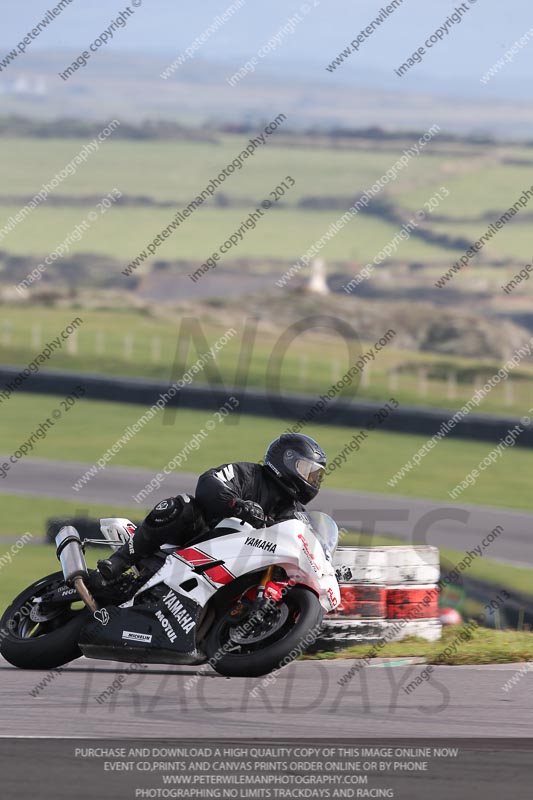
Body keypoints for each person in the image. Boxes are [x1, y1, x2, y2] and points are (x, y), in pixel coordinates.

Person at [96, 432, 327, 582]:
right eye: (307, 470)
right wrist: (238, 506)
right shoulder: (249, 474)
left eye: (316, 476)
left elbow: (309, 541)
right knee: (182, 505)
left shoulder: (296, 513)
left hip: (242, 566)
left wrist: (327, 564)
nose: (312, 480)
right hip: (202, 539)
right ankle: (119, 562)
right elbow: (209, 483)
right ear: (286, 461)